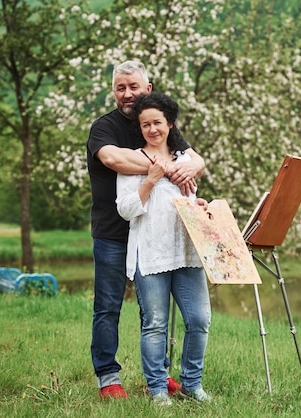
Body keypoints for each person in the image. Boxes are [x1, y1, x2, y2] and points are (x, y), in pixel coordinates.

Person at [86, 60, 204, 399]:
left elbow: (196, 161)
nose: (127, 94)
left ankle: (159, 376)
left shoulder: (155, 121)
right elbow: (114, 160)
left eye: (133, 87)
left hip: (155, 234)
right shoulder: (103, 127)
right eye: (120, 88)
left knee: (153, 311)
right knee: (108, 306)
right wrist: (169, 168)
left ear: (147, 89)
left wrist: (185, 167)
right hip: (113, 231)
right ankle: (108, 377)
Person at [116, 92, 212, 406]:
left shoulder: (186, 162)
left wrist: (197, 204)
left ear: (169, 123)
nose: (152, 129)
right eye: (145, 124)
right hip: (150, 253)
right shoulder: (135, 161)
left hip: (185, 251)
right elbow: (126, 210)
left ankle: (192, 384)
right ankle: (157, 389)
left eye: (157, 122)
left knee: (199, 320)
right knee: (155, 323)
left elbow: (184, 202)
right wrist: (150, 180)